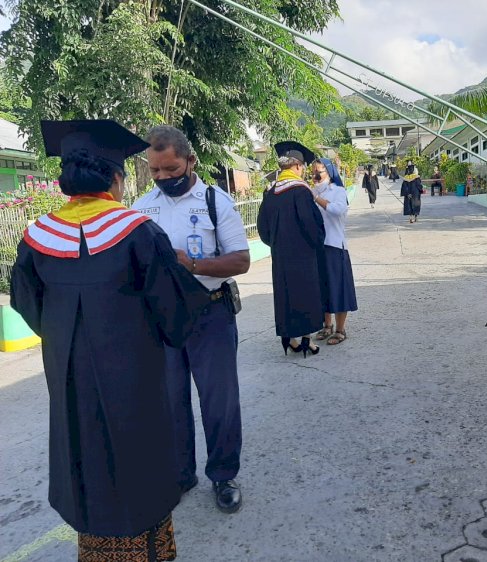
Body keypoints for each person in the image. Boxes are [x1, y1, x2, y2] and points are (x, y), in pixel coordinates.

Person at [10, 120, 209, 562]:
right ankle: (149, 552)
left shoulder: (36, 238)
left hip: (70, 379)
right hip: (134, 378)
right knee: (139, 457)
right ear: (116, 179)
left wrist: (68, 338)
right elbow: (175, 315)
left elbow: (29, 307)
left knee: (87, 460)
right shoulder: (137, 233)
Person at [133, 125, 250, 513]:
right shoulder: (140, 207)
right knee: (170, 401)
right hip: (162, 320)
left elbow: (241, 260)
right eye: (156, 171)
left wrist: (192, 263)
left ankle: (223, 475)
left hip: (210, 311)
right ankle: (181, 474)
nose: (164, 178)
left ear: (190, 160)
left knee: (219, 400)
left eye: (171, 169)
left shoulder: (217, 202)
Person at [257, 141, 326, 357]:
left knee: (286, 295)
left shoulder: (270, 192)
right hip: (303, 256)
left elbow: (262, 228)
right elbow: (311, 224)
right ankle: (307, 341)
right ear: (297, 166)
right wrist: (316, 243)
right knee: (305, 295)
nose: (304, 170)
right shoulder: (300, 191)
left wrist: (277, 245)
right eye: (303, 167)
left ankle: (291, 340)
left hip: (280, 256)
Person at [310, 158, 358, 346]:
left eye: (319, 171)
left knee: (339, 289)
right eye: (312, 171)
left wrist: (315, 198)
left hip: (334, 245)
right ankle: (326, 325)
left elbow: (337, 210)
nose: (314, 175)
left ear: (329, 172)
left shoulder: (338, 191)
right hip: (317, 247)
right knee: (322, 288)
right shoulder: (311, 192)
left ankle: (340, 329)